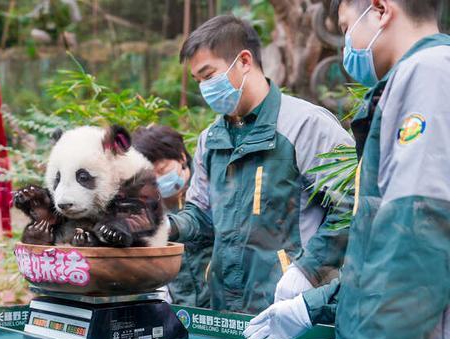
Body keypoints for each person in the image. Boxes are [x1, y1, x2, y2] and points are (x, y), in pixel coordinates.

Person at [244, 0, 449, 339]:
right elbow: (380, 250)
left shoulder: (429, 75)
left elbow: (414, 244)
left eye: (344, 27)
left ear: (379, 9)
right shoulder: (414, 80)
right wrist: (314, 304)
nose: (346, 46)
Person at [168, 15, 354, 314]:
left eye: (209, 75)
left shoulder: (305, 126)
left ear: (243, 61)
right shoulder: (210, 140)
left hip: (292, 309)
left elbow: (351, 207)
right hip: (226, 311)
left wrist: (308, 270)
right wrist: (165, 227)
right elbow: (201, 215)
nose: (204, 88)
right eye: (199, 81)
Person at [132, 125, 211, 307]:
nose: (158, 179)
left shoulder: (207, 186)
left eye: (163, 169)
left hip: (218, 308)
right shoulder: (144, 204)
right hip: (175, 308)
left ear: (182, 157)